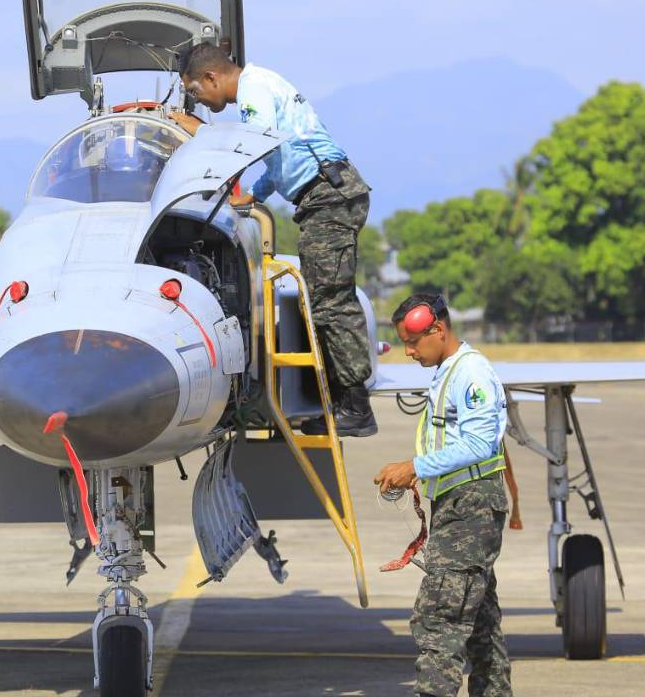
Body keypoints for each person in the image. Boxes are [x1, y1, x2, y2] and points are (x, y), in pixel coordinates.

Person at [168, 43, 377, 436]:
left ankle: (356, 408)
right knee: (320, 301)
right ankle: (335, 406)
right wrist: (256, 194)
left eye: (196, 91)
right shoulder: (259, 84)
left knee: (331, 303)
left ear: (212, 77)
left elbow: (256, 139)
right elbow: (280, 153)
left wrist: (204, 135)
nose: (198, 99)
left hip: (329, 196)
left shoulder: (254, 90)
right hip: (321, 195)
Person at [374, 293, 513, 697]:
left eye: (414, 341)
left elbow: (480, 444)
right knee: (481, 627)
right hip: (461, 505)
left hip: (470, 509)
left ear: (438, 329)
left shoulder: (471, 373)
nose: (408, 351)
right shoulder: (450, 371)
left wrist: (414, 467)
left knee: (440, 620)